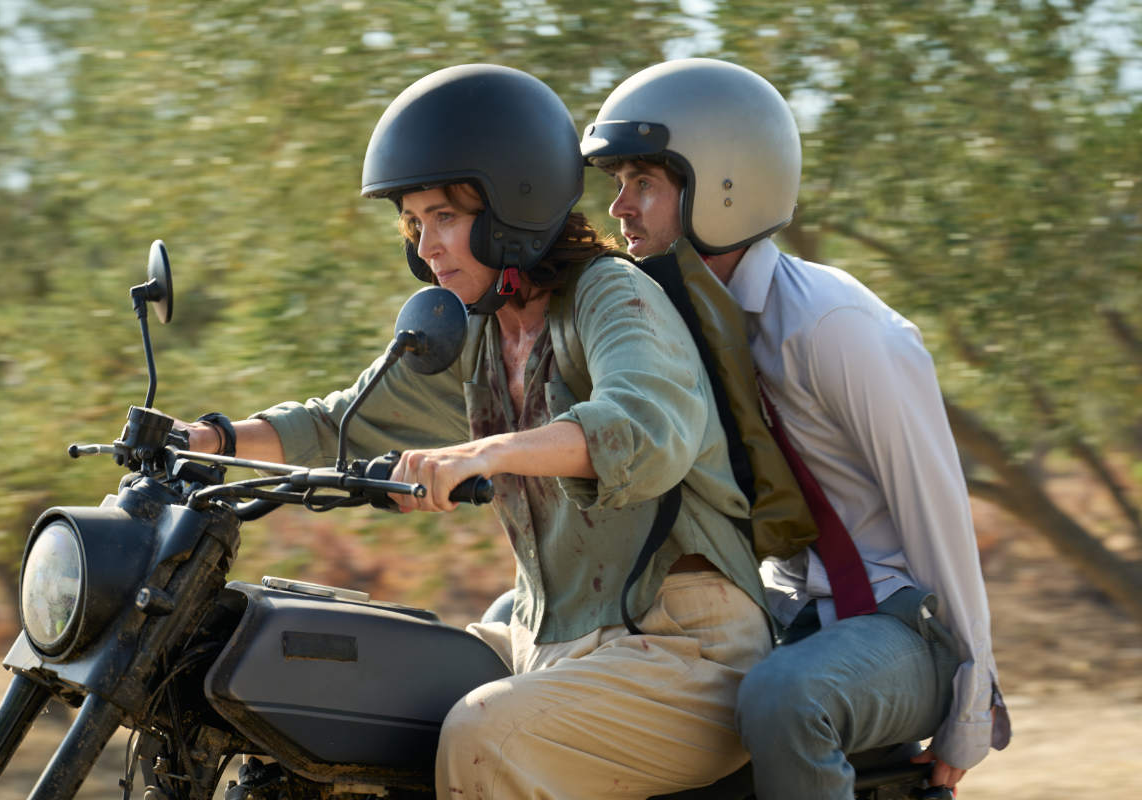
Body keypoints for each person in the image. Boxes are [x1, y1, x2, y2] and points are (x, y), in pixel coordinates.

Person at [181, 64, 773, 799]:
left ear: (513, 206)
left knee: (483, 736)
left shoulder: (613, 294)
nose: (427, 246)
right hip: (550, 638)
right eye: (416, 222)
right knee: (347, 684)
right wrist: (208, 440)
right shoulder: (479, 335)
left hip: (686, 650)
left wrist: (483, 452)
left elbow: (641, 431)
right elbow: (342, 421)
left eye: (446, 217)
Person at [581, 58, 1011, 798]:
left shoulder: (831, 324)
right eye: (617, 183)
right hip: (777, 611)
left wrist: (969, 711)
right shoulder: (666, 328)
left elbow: (936, 511)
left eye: (644, 182)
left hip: (897, 620)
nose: (619, 207)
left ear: (725, 185)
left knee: (787, 696)